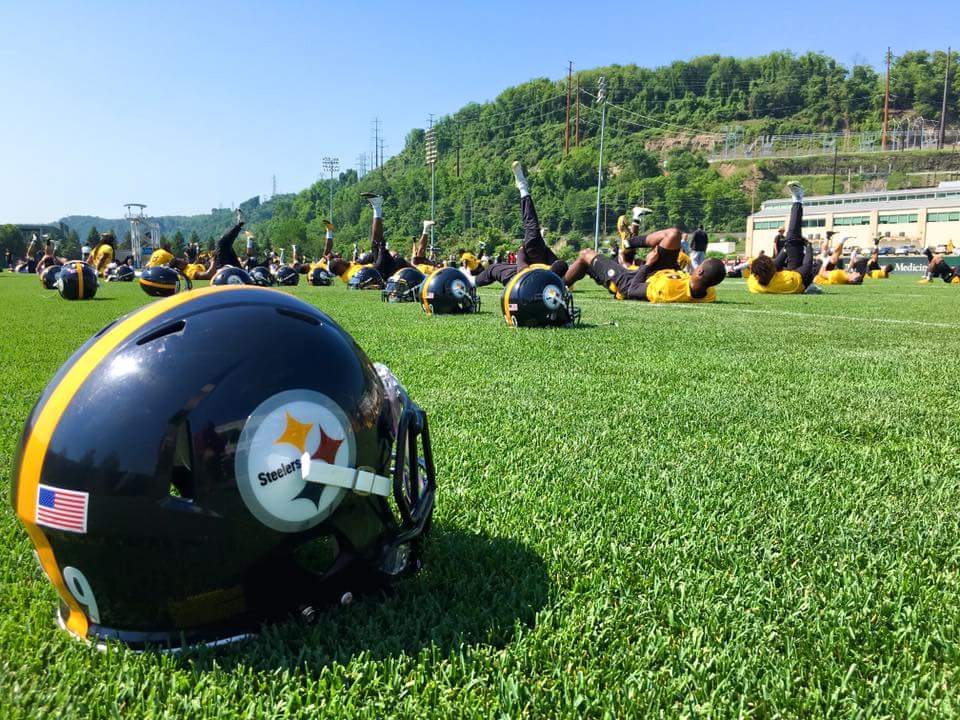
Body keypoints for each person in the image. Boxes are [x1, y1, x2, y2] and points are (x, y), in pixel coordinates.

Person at [564, 221, 726, 302]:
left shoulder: (667, 289)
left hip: (631, 281)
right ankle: (629, 242)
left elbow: (632, 290)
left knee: (586, 254)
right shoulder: (709, 293)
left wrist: (648, 263)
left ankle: (558, 284)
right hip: (664, 271)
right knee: (674, 234)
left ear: (700, 271)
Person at [747, 182, 817, 293]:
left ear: (756, 275)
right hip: (804, 279)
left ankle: (797, 202)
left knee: (790, 243)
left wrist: (786, 248)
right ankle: (798, 200)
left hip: (781, 273)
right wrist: (809, 246)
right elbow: (807, 266)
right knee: (792, 238)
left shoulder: (753, 283)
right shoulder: (788, 281)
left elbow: (776, 263)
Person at [510, 162, 569, 277]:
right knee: (561, 267)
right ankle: (522, 186)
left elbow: (521, 269)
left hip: (531, 261)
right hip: (544, 259)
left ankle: (522, 186)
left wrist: (521, 252)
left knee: (532, 227)